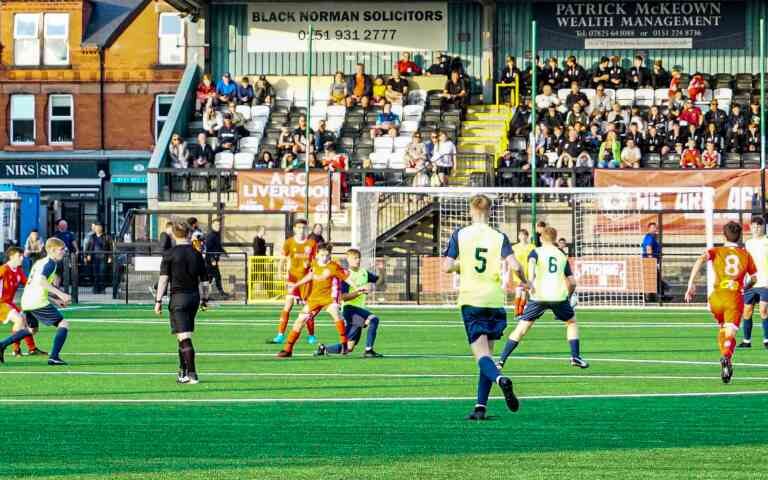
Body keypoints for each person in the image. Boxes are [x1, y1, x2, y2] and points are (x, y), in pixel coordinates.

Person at [442, 195, 526, 420]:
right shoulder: (499, 236)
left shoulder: (460, 233)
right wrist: (525, 280)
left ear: (471, 210)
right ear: (490, 211)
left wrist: (463, 265)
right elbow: (515, 264)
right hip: (495, 300)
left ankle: (501, 380)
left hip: (472, 300)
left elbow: (447, 266)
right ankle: (481, 407)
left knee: (481, 356)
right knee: (487, 354)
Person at [498, 226, 589, 371]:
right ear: (555, 239)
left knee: (522, 328)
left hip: (538, 296)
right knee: (571, 323)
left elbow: (532, 269)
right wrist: (569, 296)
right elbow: (572, 282)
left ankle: (501, 360)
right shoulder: (561, 255)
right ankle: (575, 356)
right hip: (558, 297)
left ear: (541, 238)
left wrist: (530, 283)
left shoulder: (535, 251)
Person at [685, 222, 756, 383]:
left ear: (723, 236)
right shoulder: (745, 254)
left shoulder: (716, 251)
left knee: (723, 328)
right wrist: (745, 287)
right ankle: (726, 356)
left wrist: (691, 284)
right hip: (733, 298)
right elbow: (754, 278)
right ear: (740, 237)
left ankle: (727, 362)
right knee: (730, 333)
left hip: (715, 298)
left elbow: (700, 260)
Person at [154, 222, 210, 385]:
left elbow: (163, 280)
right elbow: (205, 281)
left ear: (173, 234)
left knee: (184, 337)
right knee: (182, 335)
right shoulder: (196, 253)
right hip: (194, 298)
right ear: (187, 234)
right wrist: (205, 299)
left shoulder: (170, 254)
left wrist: (158, 301)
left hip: (178, 298)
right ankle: (183, 372)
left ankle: (192, 374)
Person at [277, 243, 351, 358]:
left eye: (327, 255)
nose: (324, 258)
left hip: (329, 298)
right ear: (317, 254)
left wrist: (358, 287)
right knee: (300, 320)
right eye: (322, 255)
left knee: (336, 313)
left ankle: (344, 344)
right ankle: (288, 349)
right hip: (314, 299)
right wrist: (296, 284)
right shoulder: (314, 263)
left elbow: (347, 277)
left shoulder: (334, 266)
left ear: (330, 255)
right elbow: (311, 275)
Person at [315, 248, 383, 358]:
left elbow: (379, 282)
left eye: (359, 257)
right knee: (374, 319)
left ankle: (324, 349)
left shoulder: (364, 273)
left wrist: (381, 270)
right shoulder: (346, 275)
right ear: (348, 260)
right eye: (355, 258)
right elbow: (343, 297)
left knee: (348, 347)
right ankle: (369, 350)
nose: (358, 260)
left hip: (359, 310)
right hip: (350, 309)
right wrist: (358, 292)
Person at [18, 238, 72, 365]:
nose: (63, 252)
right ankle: (54, 357)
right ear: (52, 250)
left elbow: (37, 285)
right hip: (37, 301)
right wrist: (61, 294)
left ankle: (2, 344)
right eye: (61, 249)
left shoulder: (40, 262)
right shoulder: (51, 263)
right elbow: (42, 282)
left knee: (32, 330)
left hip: (27, 300)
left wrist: (55, 300)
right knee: (63, 324)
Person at [272, 219, 318, 345]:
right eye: (299, 227)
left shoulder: (312, 243)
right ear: (295, 229)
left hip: (306, 280)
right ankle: (280, 334)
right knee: (288, 306)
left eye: (304, 227)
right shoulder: (289, 242)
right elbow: (282, 259)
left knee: (308, 308)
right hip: (292, 279)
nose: (301, 230)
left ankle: (311, 336)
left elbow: (315, 261)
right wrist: (278, 272)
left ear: (306, 229)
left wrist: (312, 269)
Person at [0, 247, 44, 358]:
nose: (22, 258)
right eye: (19, 256)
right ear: (11, 257)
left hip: (8, 303)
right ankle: (16, 350)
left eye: (22, 256)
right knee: (19, 320)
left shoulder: (19, 271)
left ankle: (32, 349)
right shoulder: (3, 269)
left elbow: (29, 285)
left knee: (25, 322)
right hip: (1, 303)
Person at [740, 216, 768, 349]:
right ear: (750, 228)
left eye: (759, 226)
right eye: (754, 226)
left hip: (765, 282)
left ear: (764, 227)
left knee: (764, 310)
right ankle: (746, 341)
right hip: (751, 283)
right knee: (747, 311)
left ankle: (767, 340)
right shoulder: (748, 243)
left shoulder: (767, 241)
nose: (757, 228)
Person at [511, 229, 535, 317]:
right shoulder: (514, 247)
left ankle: (521, 311)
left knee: (524, 293)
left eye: (524, 235)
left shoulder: (532, 247)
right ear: (518, 236)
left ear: (527, 236)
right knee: (518, 291)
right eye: (521, 235)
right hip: (518, 273)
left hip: (528, 272)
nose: (522, 237)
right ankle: (517, 311)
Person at [83, 222, 111, 294]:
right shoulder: (92, 237)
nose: (98, 229)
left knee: (102, 273)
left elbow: (111, 247)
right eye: (96, 227)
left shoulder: (107, 237)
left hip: (103, 257)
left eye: (99, 227)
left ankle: (102, 289)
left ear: (102, 228)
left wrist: (110, 257)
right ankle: (95, 289)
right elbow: (87, 247)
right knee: (95, 274)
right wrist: (86, 256)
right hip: (94, 258)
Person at [205, 218, 229, 298]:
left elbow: (218, 247)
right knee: (216, 277)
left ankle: (206, 295)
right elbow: (208, 248)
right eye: (216, 225)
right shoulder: (211, 235)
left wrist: (224, 252)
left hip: (213, 260)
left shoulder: (217, 235)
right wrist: (212, 259)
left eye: (219, 225)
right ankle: (220, 293)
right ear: (212, 225)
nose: (218, 226)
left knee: (211, 278)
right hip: (210, 261)